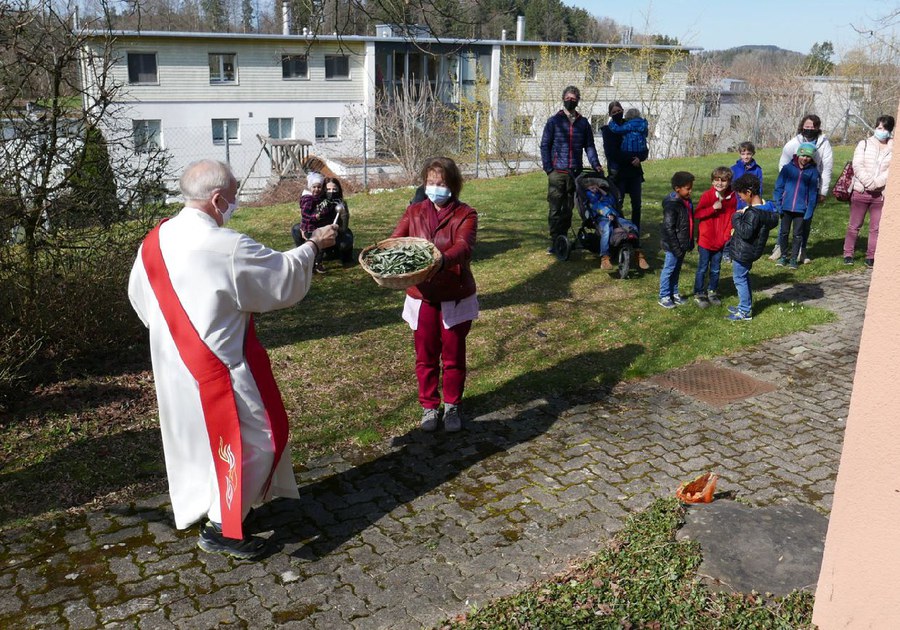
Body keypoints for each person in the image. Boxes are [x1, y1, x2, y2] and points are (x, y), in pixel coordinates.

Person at [128, 159, 337, 559]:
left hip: (174, 365)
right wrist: (313, 245)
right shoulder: (226, 246)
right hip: (216, 367)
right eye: (235, 195)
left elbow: (139, 297)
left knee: (198, 444)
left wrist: (169, 334)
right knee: (259, 439)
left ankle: (224, 506)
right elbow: (279, 277)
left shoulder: (154, 240)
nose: (236, 202)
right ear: (217, 198)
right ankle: (223, 529)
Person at [390, 157, 478, 433]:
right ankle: (429, 407)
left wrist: (439, 261)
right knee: (425, 355)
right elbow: (396, 241)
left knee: (453, 355)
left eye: (440, 183)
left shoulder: (466, 214)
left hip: (454, 293)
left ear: (452, 185)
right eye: (430, 182)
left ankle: (452, 405)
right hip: (423, 295)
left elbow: (464, 247)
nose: (435, 187)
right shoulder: (414, 211)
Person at [540, 85, 603, 255]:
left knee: (568, 209)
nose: (570, 101)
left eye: (573, 99)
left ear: (578, 101)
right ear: (563, 99)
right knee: (555, 209)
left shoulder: (583, 123)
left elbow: (589, 146)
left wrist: (596, 164)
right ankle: (555, 241)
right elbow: (545, 145)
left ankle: (563, 238)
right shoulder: (554, 121)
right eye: (567, 98)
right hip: (557, 172)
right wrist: (548, 167)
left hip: (575, 173)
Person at [770, 114, 834, 262]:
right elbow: (783, 163)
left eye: (812, 127)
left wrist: (823, 191)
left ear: (817, 128)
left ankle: (801, 251)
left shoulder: (824, 144)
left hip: (810, 186)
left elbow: (826, 168)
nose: (809, 129)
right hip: (791, 187)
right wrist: (789, 181)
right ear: (802, 127)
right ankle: (780, 248)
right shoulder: (793, 143)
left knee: (805, 221)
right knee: (785, 222)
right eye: (807, 126)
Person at [601, 101, 650, 269]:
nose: (617, 113)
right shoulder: (609, 130)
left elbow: (644, 148)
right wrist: (631, 159)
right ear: (610, 114)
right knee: (618, 205)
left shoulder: (631, 126)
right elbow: (612, 153)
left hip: (635, 173)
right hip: (619, 174)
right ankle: (618, 236)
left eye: (619, 110)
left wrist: (640, 158)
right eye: (614, 111)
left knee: (637, 205)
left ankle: (635, 236)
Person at [843, 115, 894, 268]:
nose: (881, 131)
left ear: (890, 130)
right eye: (879, 127)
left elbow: (892, 170)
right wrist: (868, 182)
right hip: (861, 190)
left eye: (884, 128)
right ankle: (848, 253)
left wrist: (877, 183)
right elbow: (857, 165)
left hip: (879, 194)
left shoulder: (894, 147)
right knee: (854, 225)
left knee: (876, 228)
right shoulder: (864, 144)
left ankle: (871, 256)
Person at [728, 173, 779, 322]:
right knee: (744, 277)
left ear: (749, 193)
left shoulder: (753, 213)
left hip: (744, 251)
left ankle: (744, 311)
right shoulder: (766, 208)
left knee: (739, 279)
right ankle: (745, 305)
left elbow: (745, 232)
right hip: (750, 250)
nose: (741, 199)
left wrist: (736, 217)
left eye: (741, 196)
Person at [693, 167, 737, 308]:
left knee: (716, 268)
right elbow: (698, 214)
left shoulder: (732, 198)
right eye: (716, 180)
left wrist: (726, 237)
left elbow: (731, 218)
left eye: (723, 180)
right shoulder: (707, 196)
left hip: (720, 241)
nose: (719, 183)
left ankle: (712, 291)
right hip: (706, 240)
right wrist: (712, 208)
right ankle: (699, 293)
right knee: (702, 267)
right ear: (712, 181)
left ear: (729, 182)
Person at [773, 143, 821, 270]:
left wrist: (809, 210)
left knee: (797, 235)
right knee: (783, 233)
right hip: (786, 207)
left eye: (808, 156)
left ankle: (794, 258)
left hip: (801, 209)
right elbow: (779, 187)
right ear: (798, 154)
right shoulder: (787, 168)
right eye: (803, 155)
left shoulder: (813, 172)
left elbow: (813, 193)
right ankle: (783, 256)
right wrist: (778, 203)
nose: (805, 158)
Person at [658, 171, 695, 309]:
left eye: (691, 188)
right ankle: (664, 295)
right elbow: (669, 229)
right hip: (673, 246)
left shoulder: (687, 201)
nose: (690, 191)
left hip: (682, 244)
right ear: (677, 188)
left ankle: (674, 293)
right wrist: (676, 248)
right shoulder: (672, 205)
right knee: (669, 269)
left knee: (676, 269)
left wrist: (690, 242)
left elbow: (690, 223)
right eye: (688, 188)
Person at [584, 181, 638, 271]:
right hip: (601, 218)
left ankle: (638, 250)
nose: (594, 190)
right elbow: (598, 207)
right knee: (607, 229)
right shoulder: (591, 199)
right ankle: (605, 257)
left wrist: (601, 190)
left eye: (595, 188)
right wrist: (608, 213)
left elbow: (612, 201)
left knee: (632, 226)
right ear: (587, 190)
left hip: (615, 217)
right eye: (592, 188)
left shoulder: (602, 196)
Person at [292, 172, 330, 273]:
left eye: (319, 187)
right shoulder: (308, 199)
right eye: (314, 187)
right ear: (310, 187)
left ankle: (317, 263)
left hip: (316, 227)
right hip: (309, 227)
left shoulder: (318, 198)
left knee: (321, 246)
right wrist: (315, 217)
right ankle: (312, 264)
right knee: (315, 246)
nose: (317, 189)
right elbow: (305, 214)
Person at [322, 177, 354, 264]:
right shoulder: (319, 203)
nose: (331, 192)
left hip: (338, 232)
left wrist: (343, 214)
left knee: (345, 243)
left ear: (339, 190)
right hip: (322, 233)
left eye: (334, 189)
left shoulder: (342, 204)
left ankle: (343, 255)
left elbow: (344, 227)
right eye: (328, 189)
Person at [730, 142, 763, 210]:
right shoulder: (734, 169)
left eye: (748, 154)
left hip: (752, 203)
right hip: (737, 203)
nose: (746, 156)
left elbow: (760, 187)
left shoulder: (757, 169)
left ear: (753, 153)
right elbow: (731, 187)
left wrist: (758, 202)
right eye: (743, 154)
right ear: (739, 154)